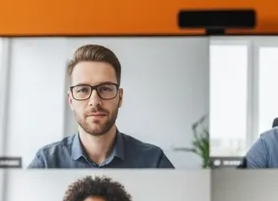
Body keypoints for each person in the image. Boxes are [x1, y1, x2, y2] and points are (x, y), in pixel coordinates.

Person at [28, 44, 174, 169]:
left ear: (120, 97)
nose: (94, 101)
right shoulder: (46, 163)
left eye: (105, 88)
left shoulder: (154, 162)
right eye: (83, 90)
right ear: (71, 100)